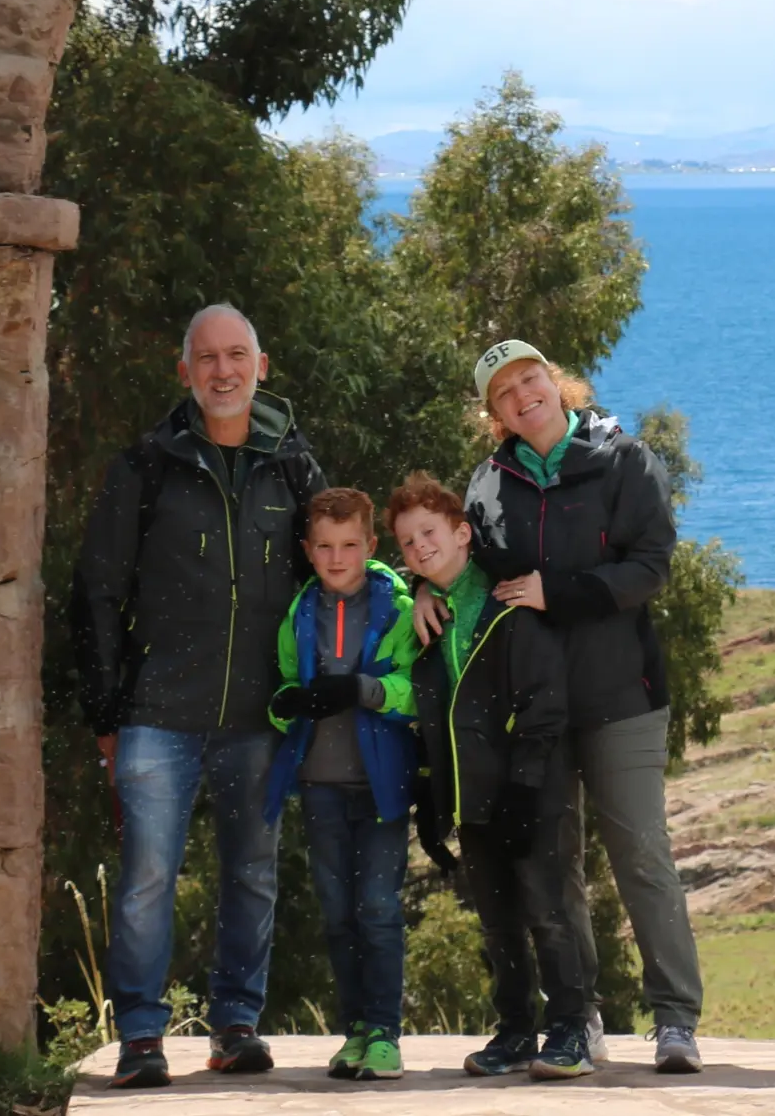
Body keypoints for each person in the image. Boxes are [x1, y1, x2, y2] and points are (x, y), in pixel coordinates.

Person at [414, 340, 704, 1076]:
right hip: (529, 712)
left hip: (621, 695)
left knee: (640, 854)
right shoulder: (489, 482)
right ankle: (581, 1020)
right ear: (495, 413)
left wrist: (559, 592)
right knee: (553, 868)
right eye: (504, 392)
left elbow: (651, 565)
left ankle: (674, 1019)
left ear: (556, 382)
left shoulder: (623, 459)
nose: (523, 395)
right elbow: (462, 558)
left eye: (530, 378)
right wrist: (422, 589)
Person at [70, 304, 325, 1089]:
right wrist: (106, 714)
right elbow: (97, 591)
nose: (223, 370)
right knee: (148, 879)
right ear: (185, 371)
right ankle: (141, 1037)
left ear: (262, 365)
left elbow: (333, 577)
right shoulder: (146, 465)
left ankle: (236, 1025)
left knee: (252, 873)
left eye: (237, 354)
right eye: (207, 357)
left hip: (261, 716)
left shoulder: (295, 467)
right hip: (157, 714)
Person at [386, 471, 591, 1082]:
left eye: (429, 532)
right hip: (471, 794)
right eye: (407, 542)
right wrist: (433, 796)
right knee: (498, 921)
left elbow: (543, 705)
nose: (419, 546)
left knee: (546, 912)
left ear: (462, 533)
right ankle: (515, 1031)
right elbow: (436, 715)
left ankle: (570, 1031)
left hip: (529, 790)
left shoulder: (509, 602)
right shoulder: (429, 617)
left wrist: (525, 787)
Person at [265, 487, 419, 1083]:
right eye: (325, 547)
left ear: (371, 545)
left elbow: (416, 693)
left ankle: (384, 1034)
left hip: (380, 786)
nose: (337, 558)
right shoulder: (300, 612)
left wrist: (365, 690)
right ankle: (354, 1031)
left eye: (349, 545)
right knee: (337, 913)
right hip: (319, 784)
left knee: (377, 908)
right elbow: (286, 686)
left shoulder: (398, 609)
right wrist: (287, 706)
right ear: (308, 549)